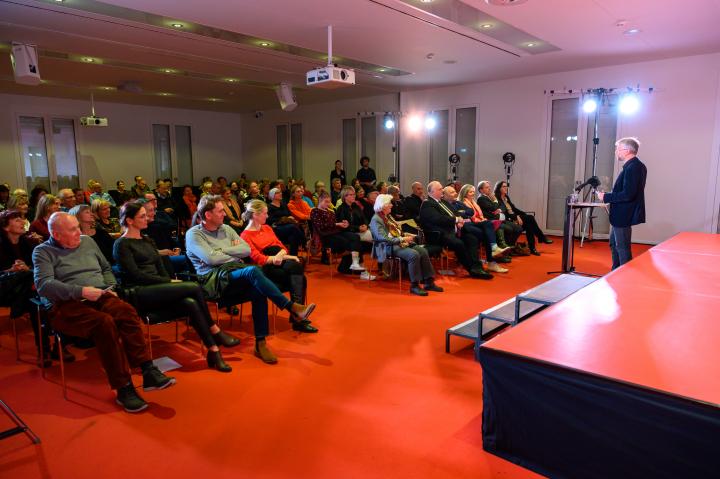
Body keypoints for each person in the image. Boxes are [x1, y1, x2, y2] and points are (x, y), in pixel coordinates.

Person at [33, 212, 176, 413]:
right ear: (56, 234)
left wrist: (111, 287)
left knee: (126, 311)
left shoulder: (87, 242)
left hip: (100, 294)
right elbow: (43, 285)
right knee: (104, 323)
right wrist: (80, 291)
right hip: (68, 303)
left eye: (78, 227)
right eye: (73, 229)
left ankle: (147, 369)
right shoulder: (43, 251)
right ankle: (123, 387)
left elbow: (106, 267)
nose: (79, 232)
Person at [185, 195, 316, 364]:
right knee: (253, 271)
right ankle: (291, 307)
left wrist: (219, 250)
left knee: (258, 289)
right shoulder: (194, 234)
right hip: (212, 279)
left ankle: (260, 343)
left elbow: (245, 250)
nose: (224, 214)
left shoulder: (226, 229)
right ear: (208, 215)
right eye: (220, 211)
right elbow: (211, 260)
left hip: (234, 272)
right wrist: (231, 251)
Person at [113, 202, 240, 373]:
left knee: (190, 303)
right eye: (142, 216)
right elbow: (135, 275)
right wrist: (167, 282)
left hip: (158, 288)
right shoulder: (121, 244)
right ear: (129, 220)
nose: (148, 218)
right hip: (139, 292)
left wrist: (166, 281)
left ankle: (214, 351)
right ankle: (215, 330)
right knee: (194, 287)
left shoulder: (147, 240)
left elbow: (160, 268)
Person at [1, 209, 67, 366]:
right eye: (17, 220)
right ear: (5, 227)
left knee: (37, 300)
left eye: (22, 219)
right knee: (39, 297)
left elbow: (40, 266)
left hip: (28, 289)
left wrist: (26, 268)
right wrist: (11, 270)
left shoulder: (28, 242)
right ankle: (53, 348)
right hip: (7, 289)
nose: (23, 222)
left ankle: (47, 349)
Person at [240, 200, 317, 333]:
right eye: (265, 213)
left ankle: (297, 315)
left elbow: (281, 246)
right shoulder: (245, 236)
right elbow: (258, 258)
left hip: (280, 261)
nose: (267, 216)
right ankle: (297, 318)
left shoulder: (267, 228)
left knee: (297, 271)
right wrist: (281, 257)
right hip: (266, 269)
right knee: (298, 271)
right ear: (255, 215)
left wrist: (282, 255)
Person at [370, 194, 442, 296]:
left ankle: (428, 282)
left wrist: (405, 235)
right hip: (386, 247)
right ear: (383, 205)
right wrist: (402, 239)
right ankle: (414, 286)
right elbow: (384, 239)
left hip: (397, 243)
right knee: (413, 255)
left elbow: (396, 231)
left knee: (423, 251)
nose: (391, 205)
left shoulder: (387, 216)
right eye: (389, 203)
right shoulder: (376, 219)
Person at [419, 181, 492, 279]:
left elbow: (455, 212)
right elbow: (438, 219)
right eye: (440, 189)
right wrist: (456, 220)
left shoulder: (443, 202)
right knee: (459, 243)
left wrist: (459, 220)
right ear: (432, 192)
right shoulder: (427, 203)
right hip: (439, 234)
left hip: (453, 230)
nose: (442, 191)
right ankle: (471, 269)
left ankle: (477, 267)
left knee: (472, 239)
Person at [598, 137, 647, 270]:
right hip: (620, 214)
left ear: (626, 151)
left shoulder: (633, 167)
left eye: (618, 149)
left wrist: (606, 196)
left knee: (622, 247)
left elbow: (628, 194)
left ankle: (624, 275)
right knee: (614, 244)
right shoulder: (633, 166)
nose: (616, 152)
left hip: (623, 214)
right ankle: (616, 272)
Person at [445, 186, 509, 273]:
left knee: (488, 225)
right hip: (459, 228)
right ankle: (491, 259)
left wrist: (462, 213)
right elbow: (454, 215)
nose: (455, 193)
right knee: (487, 232)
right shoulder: (445, 204)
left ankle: (489, 258)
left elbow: (471, 211)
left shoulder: (457, 203)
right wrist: (463, 213)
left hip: (468, 224)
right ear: (444, 195)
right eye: (452, 192)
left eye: (454, 192)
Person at [310, 192, 373, 279]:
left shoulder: (331, 212)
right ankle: (359, 270)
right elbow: (321, 226)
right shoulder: (315, 211)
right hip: (326, 236)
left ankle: (354, 265)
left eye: (329, 202)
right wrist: (337, 224)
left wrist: (344, 224)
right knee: (356, 244)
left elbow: (336, 224)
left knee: (355, 237)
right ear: (320, 200)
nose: (328, 204)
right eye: (326, 202)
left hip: (336, 233)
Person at [495, 180, 552, 256]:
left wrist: (524, 215)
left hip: (514, 218)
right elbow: (504, 213)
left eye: (506, 186)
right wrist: (517, 217)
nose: (506, 188)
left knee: (529, 224)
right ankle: (540, 238)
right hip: (508, 220)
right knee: (530, 219)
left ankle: (533, 248)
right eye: (504, 186)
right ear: (499, 188)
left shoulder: (506, 197)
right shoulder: (497, 198)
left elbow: (514, 209)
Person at [458, 184, 511, 262]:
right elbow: (470, 216)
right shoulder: (462, 203)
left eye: (473, 192)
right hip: (470, 224)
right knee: (490, 231)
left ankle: (497, 254)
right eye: (470, 192)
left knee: (495, 228)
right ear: (465, 193)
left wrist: (483, 219)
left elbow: (499, 208)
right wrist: (482, 220)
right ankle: (494, 257)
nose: (473, 193)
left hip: (479, 222)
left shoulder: (473, 201)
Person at [477, 180, 522, 252]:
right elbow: (494, 208)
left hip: (501, 219)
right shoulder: (481, 198)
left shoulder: (489, 197)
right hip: (493, 220)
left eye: (489, 187)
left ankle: (510, 246)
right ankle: (505, 248)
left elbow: (501, 207)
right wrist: (495, 201)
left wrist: (498, 209)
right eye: (487, 187)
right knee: (510, 229)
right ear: (481, 190)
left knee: (518, 228)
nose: (489, 189)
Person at [267, 188, 305, 255]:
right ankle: (305, 242)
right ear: (272, 195)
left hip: (287, 226)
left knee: (293, 236)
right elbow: (269, 220)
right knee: (293, 227)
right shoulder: (269, 207)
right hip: (276, 227)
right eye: (278, 193)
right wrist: (283, 218)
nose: (280, 194)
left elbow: (289, 215)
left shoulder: (283, 204)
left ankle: (293, 257)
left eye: (280, 192)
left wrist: (290, 217)